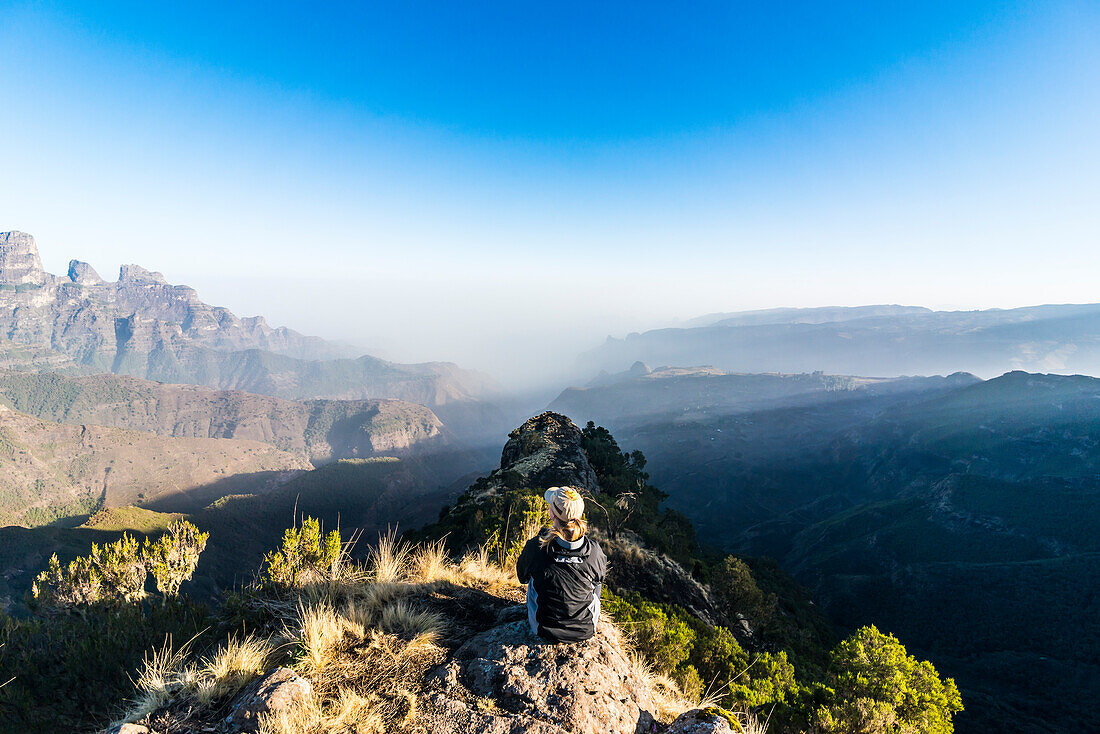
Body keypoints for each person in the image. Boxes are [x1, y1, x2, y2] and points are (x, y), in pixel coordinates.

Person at [516, 486, 607, 643]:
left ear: (552, 513)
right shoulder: (594, 551)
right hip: (584, 630)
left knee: (532, 577)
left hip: (544, 629)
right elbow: (599, 579)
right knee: (596, 582)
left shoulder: (536, 547)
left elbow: (521, 578)